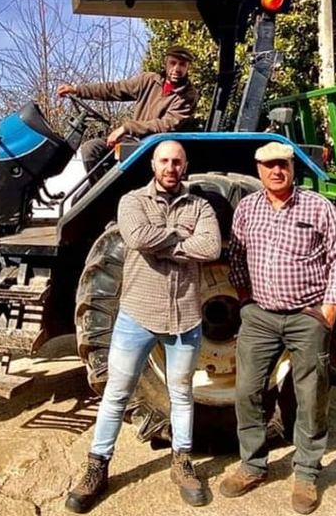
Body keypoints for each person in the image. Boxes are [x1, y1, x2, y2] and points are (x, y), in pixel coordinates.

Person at [64, 140, 221, 513]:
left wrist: (162, 244)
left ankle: (182, 462)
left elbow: (211, 247)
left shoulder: (200, 205)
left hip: (185, 318)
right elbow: (136, 237)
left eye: (177, 161)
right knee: (116, 393)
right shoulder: (132, 202)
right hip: (137, 316)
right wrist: (184, 241)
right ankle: (96, 466)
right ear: (153, 164)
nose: (171, 167)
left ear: (185, 166)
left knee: (180, 393)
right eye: (164, 160)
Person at [219, 142, 336, 514]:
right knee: (247, 390)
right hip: (260, 316)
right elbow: (237, 257)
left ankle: (307, 472)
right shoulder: (247, 208)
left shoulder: (318, 206)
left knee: (311, 394)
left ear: (292, 168)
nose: (276, 171)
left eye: (282, 165)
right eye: (268, 166)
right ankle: (252, 465)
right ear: (258, 169)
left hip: (306, 316)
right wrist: (246, 300)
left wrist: (327, 313)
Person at [56, 46, 199, 187]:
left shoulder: (188, 96)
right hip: (132, 140)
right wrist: (77, 90)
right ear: (166, 63)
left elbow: (165, 125)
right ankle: (105, 196)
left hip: (155, 146)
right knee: (90, 149)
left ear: (188, 68)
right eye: (173, 63)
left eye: (182, 64)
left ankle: (111, 202)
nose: (177, 69)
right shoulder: (148, 80)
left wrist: (127, 127)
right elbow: (114, 89)